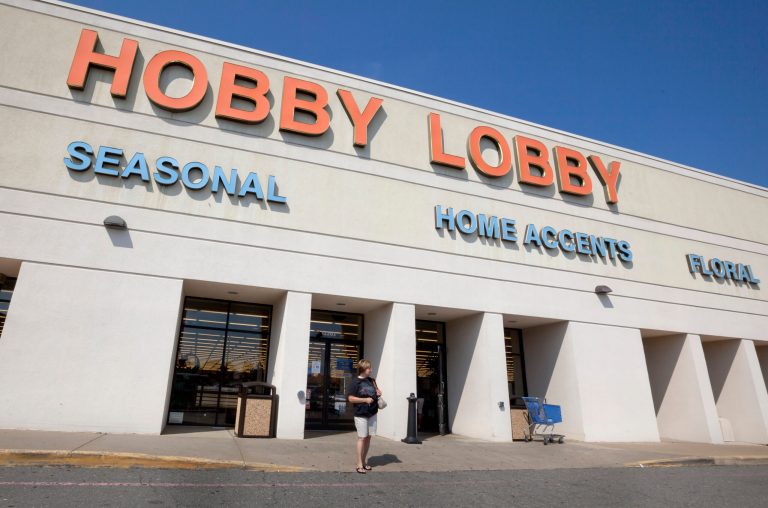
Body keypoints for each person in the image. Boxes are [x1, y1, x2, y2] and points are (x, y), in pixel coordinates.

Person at [346, 358, 382, 474]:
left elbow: (376, 393)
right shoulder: (355, 382)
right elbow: (350, 398)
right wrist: (365, 399)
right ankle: (359, 464)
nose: (371, 370)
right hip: (361, 413)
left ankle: (364, 461)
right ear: (363, 369)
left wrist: (379, 392)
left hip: (372, 413)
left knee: (368, 437)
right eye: (368, 368)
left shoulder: (372, 381)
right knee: (362, 437)